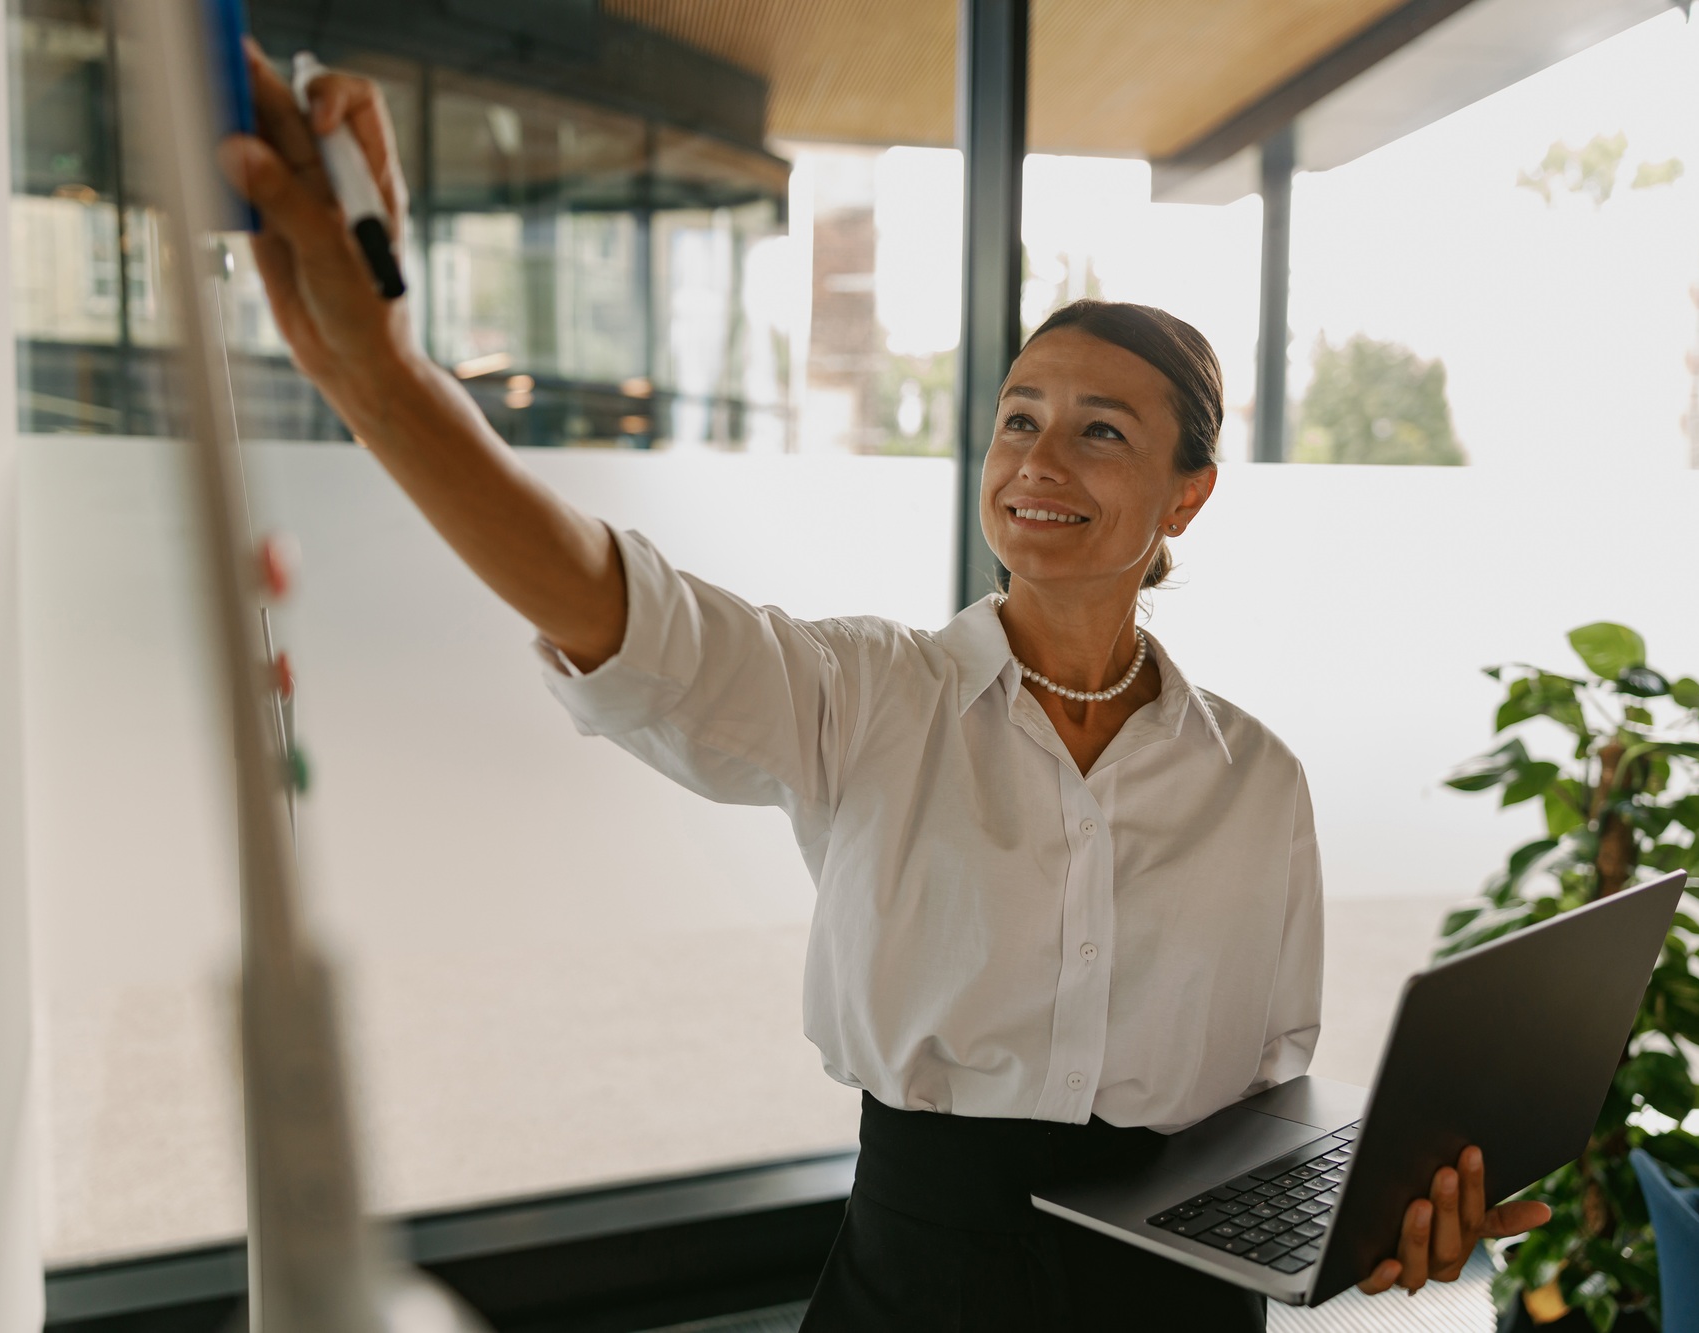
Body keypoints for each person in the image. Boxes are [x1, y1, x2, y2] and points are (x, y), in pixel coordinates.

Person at [217, 42, 1551, 1331]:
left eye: (1103, 430)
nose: (1041, 455)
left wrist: (1374, 1204)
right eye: (1020, 414)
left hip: (1181, 1304)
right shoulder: (873, 696)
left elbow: (1269, 1097)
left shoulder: (1256, 779)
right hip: (926, 1285)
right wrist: (377, 372)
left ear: (1187, 492)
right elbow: (623, 612)